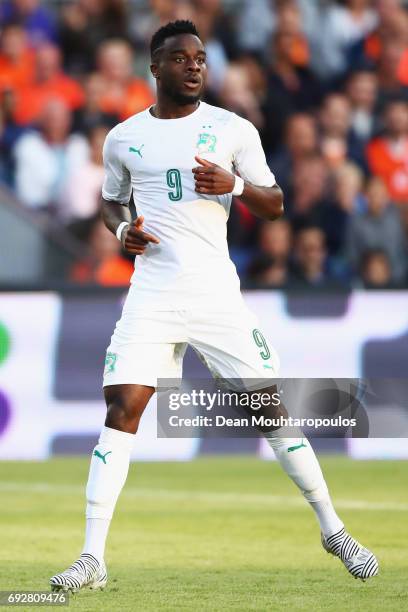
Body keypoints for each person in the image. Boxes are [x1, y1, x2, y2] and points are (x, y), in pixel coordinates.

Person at [49, 20, 378, 594]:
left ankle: (333, 528)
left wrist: (232, 186)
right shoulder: (124, 137)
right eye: (181, 58)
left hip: (215, 295)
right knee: (122, 407)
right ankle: (91, 557)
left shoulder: (232, 129)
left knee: (272, 414)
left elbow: (275, 204)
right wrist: (123, 228)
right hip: (152, 292)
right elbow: (110, 204)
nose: (195, 66)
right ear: (155, 68)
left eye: (200, 57)